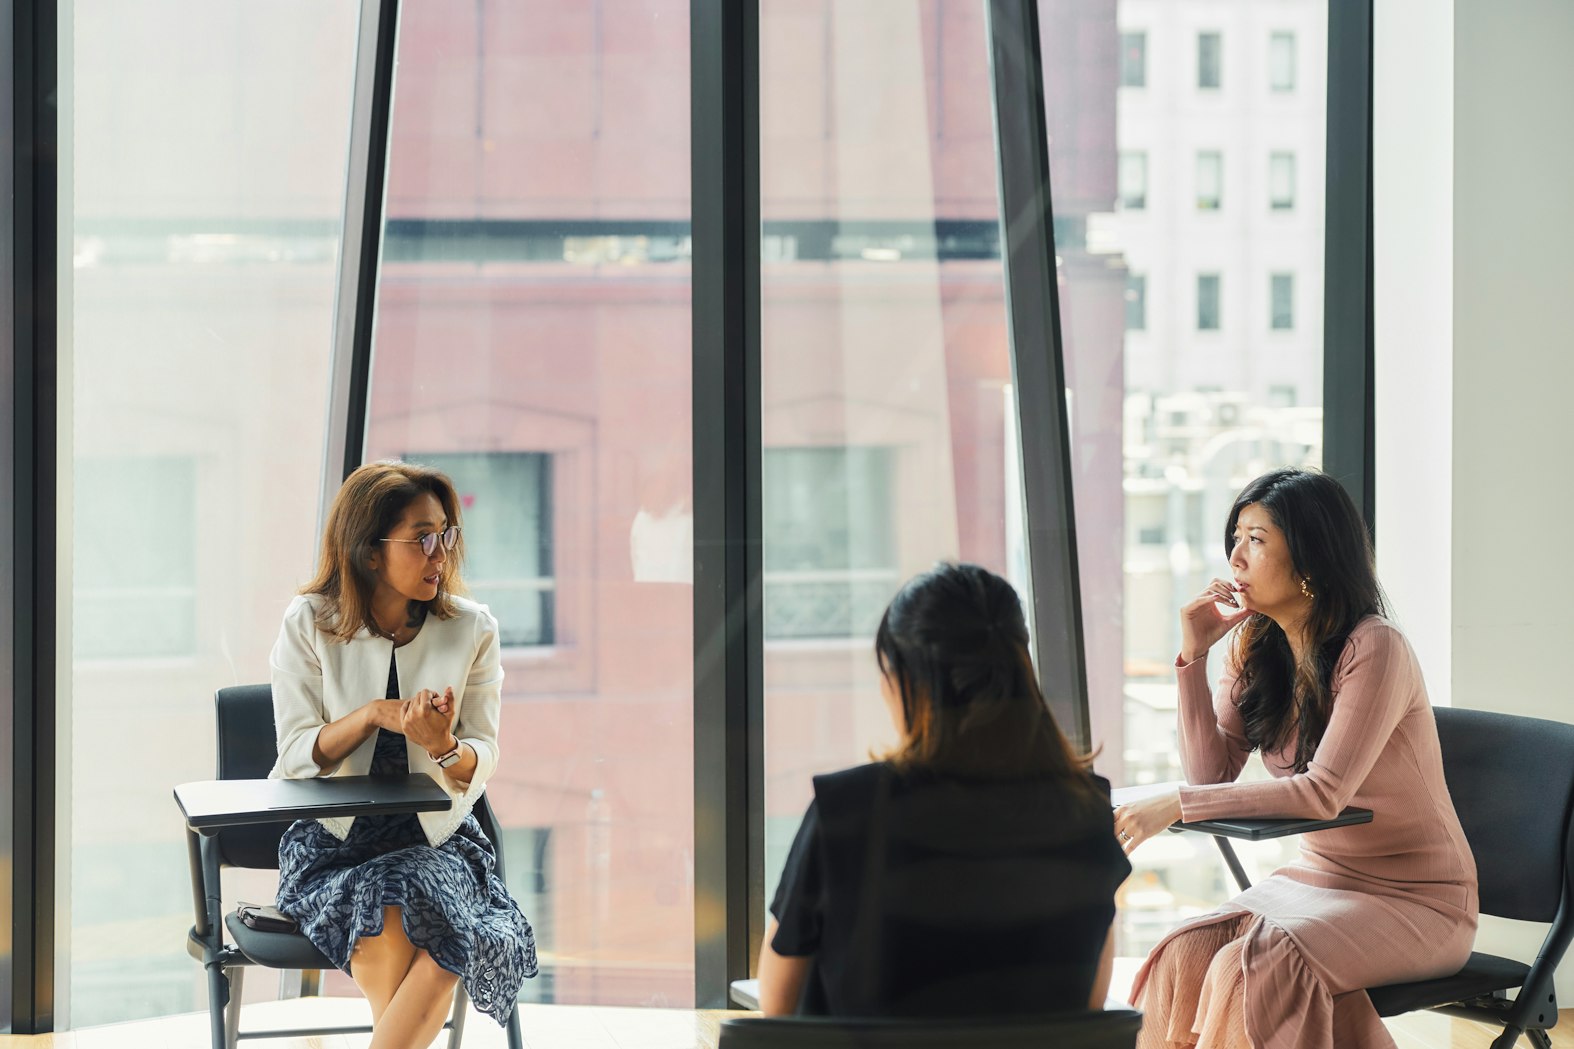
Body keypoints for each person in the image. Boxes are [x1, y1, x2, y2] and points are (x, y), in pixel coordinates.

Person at [1114, 468, 1477, 1049]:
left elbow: (1321, 793)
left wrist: (1174, 807)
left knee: (1254, 967)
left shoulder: (1374, 646)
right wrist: (1192, 657)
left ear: (1310, 558)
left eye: (1256, 540)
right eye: (1235, 537)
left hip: (1419, 901)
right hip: (1314, 883)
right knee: (1185, 952)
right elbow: (1210, 775)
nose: (1235, 558)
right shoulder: (1258, 649)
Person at [758, 562, 1130, 1018]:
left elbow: (775, 1012)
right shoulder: (1086, 813)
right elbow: (1088, 1010)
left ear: (906, 684)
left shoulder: (846, 812)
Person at [268, 461, 536, 1049]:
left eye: (447, 535)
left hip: (436, 842)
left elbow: (483, 755)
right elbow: (294, 756)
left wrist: (443, 746)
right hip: (332, 843)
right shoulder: (310, 623)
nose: (441, 553)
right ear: (368, 552)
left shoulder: (473, 629)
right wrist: (371, 714)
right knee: (427, 935)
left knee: (425, 911)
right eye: (423, 538)